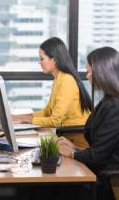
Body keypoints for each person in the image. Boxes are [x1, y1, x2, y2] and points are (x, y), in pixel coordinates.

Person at [59, 46, 119, 200]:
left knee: (54, 187)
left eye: (89, 71)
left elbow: (99, 155)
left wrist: (73, 153)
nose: (87, 75)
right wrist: (75, 148)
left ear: (102, 73)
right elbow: (102, 149)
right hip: (100, 169)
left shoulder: (114, 106)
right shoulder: (107, 100)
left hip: (108, 179)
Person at [12, 37, 92, 127]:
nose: (39, 62)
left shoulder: (67, 80)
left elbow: (55, 121)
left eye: (42, 59)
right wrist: (17, 117)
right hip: (64, 133)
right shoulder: (58, 79)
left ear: (54, 60)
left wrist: (25, 120)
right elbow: (47, 112)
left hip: (73, 136)